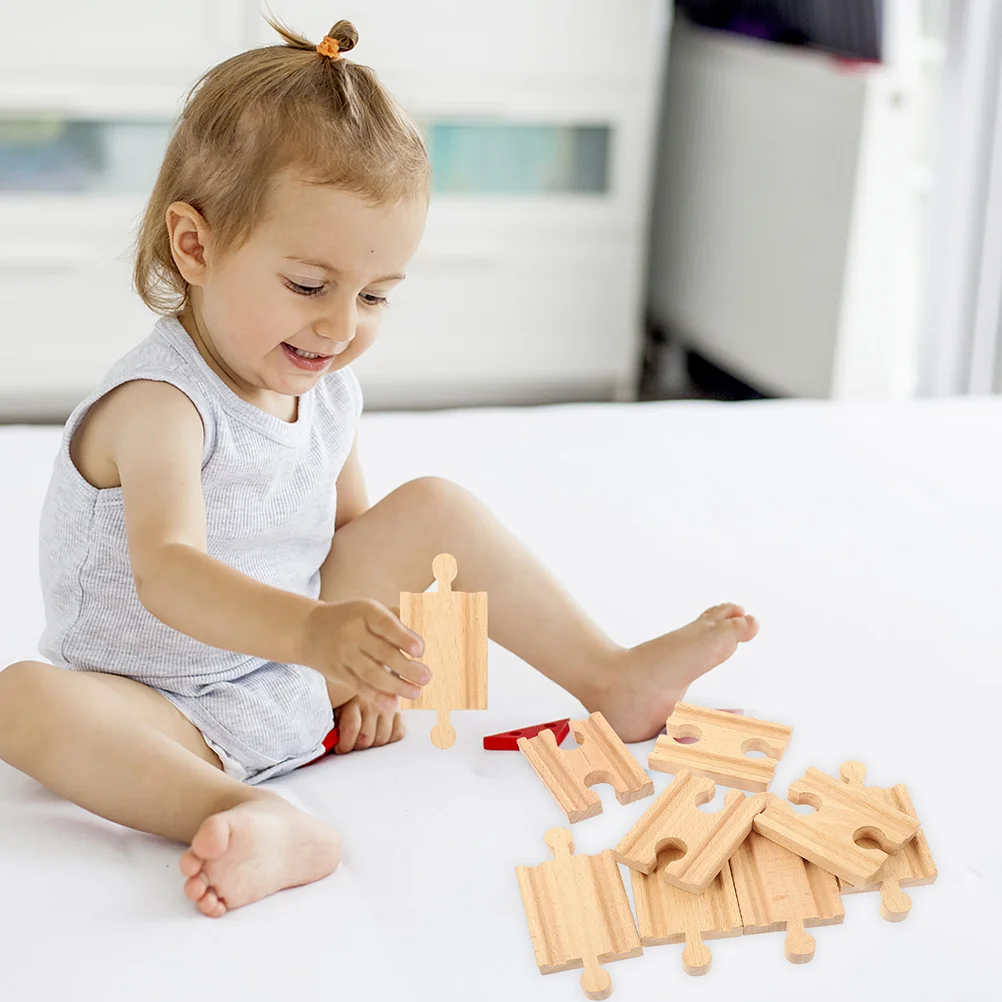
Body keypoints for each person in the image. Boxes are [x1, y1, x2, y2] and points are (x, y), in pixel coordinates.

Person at [0, 17, 758, 919]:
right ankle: (248, 815)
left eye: (375, 296)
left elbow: (348, 539)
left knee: (431, 506)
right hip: (155, 705)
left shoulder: (325, 386)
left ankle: (611, 675)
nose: (339, 327)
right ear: (194, 247)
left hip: (284, 675)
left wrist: (364, 669)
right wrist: (317, 640)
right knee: (23, 702)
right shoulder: (160, 405)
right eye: (309, 287)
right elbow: (168, 576)